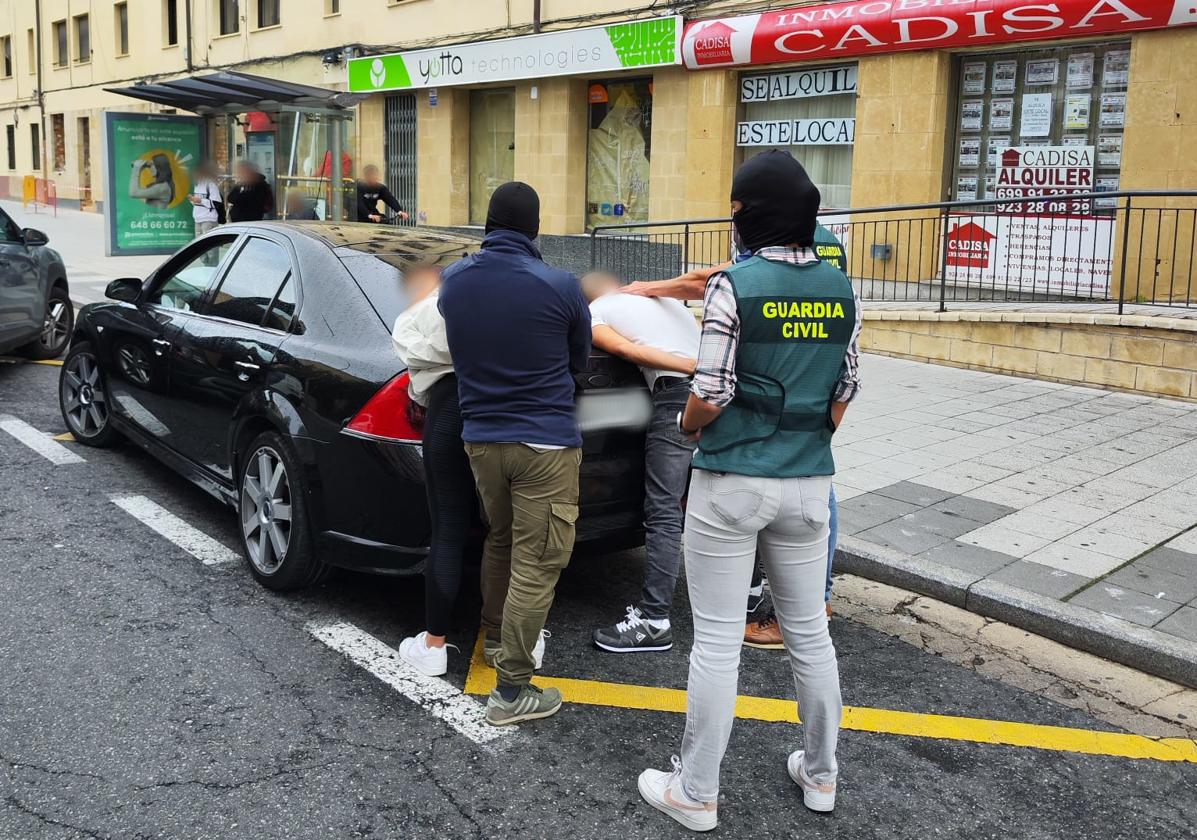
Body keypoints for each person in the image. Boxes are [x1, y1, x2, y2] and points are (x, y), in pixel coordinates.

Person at [637, 151, 862, 831]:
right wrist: (807, 434)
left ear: (748, 213)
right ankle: (821, 777)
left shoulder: (736, 284)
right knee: (808, 638)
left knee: (713, 643)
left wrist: (685, 423)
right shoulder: (840, 287)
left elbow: (712, 390)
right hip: (806, 482)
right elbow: (846, 387)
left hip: (731, 482)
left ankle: (696, 792)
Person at [622, 216, 852, 646]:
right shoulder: (825, 252)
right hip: (807, 422)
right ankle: (802, 600)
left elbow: (708, 291)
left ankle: (669, 617)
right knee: (819, 502)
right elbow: (849, 380)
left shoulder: (767, 248)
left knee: (716, 636)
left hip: (754, 424)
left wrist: (645, 289)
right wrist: (823, 433)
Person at [438, 181, 591, 726]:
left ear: (488, 223)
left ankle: (498, 634)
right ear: (535, 228)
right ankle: (511, 690)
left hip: (481, 441)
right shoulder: (559, 285)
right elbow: (580, 365)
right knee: (538, 562)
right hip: (544, 443)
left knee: (500, 541)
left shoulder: (453, 281)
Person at [579, 271, 699, 653]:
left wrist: (688, 367)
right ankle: (751, 596)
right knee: (733, 494)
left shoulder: (596, 311)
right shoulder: (668, 303)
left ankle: (654, 621)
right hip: (722, 393)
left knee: (664, 510)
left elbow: (630, 352)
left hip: (678, 395)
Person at [392, 266, 478, 677]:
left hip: (448, 409)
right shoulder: (505, 303)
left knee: (449, 527)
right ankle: (518, 641)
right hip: (506, 411)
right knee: (511, 531)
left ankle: (434, 645)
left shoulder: (417, 314)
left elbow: (417, 355)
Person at [188, 161, 223, 235]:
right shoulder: (197, 184)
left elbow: (217, 203)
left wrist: (200, 200)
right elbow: (198, 203)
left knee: (208, 244)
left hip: (208, 219)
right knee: (199, 244)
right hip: (197, 219)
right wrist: (192, 200)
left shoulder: (210, 184)